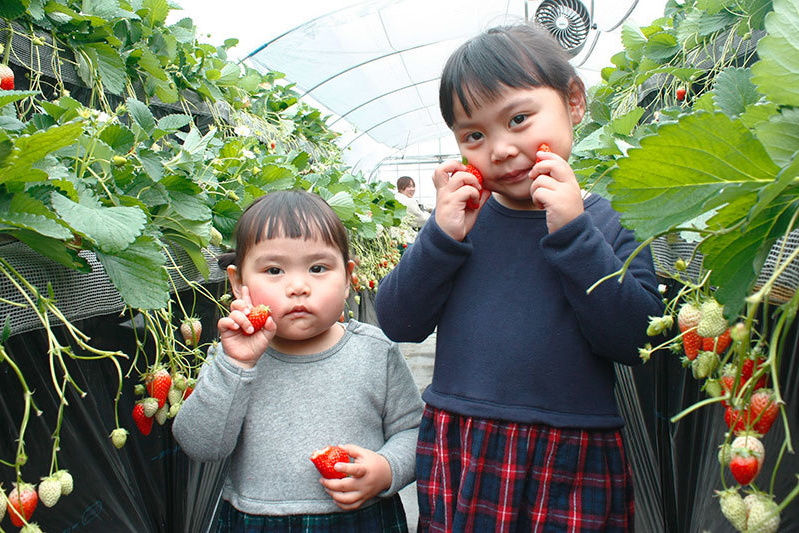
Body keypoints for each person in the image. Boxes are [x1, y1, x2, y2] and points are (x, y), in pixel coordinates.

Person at [375, 23, 664, 532]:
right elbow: (399, 321)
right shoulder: (462, 225)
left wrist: (573, 233)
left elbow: (636, 339)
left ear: (574, 102)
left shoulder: (612, 222)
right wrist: (440, 236)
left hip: (572, 450)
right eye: (474, 135)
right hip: (463, 442)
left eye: (519, 119)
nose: (501, 148)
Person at [173, 189, 424, 532]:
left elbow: (414, 431)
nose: (298, 286)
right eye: (274, 270)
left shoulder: (375, 352)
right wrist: (236, 365)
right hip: (254, 521)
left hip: (362, 519)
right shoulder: (231, 359)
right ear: (238, 282)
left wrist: (386, 468)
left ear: (348, 278)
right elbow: (199, 445)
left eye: (318, 268)